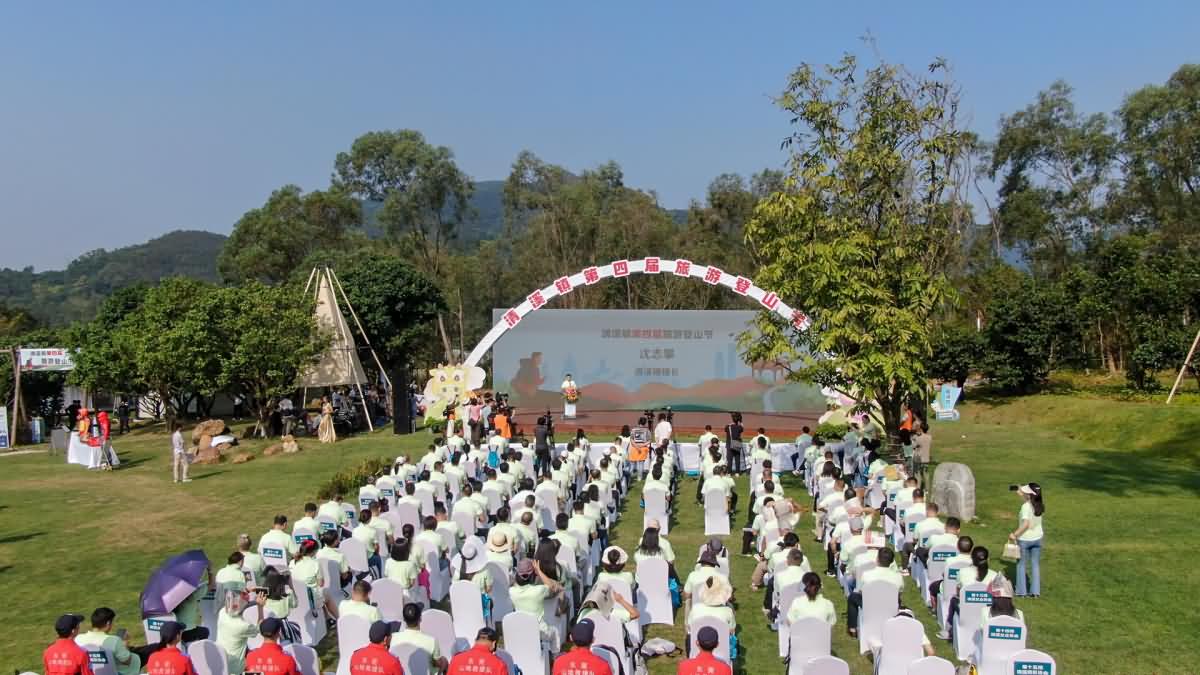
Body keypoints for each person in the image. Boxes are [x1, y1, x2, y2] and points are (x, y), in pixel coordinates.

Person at [510, 559, 565, 651]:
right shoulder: (539, 591)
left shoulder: (512, 592)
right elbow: (552, 587)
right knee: (554, 632)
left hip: (520, 630)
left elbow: (515, 583)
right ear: (533, 575)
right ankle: (555, 659)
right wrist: (539, 571)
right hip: (539, 631)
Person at [77, 608, 141, 675]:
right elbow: (126, 661)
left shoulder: (78, 639)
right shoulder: (114, 640)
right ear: (108, 623)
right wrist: (125, 644)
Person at [214, 589, 264, 674]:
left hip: (220, 663)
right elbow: (260, 628)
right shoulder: (243, 626)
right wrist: (260, 607)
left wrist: (249, 591)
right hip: (235, 669)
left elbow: (237, 603)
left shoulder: (222, 612)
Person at [1010, 483, 1045, 598]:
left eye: (1025, 492)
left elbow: (1026, 524)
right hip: (1038, 538)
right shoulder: (1039, 504)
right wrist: (1020, 492)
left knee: (1021, 565)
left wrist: (1014, 535)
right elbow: (1027, 498)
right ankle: (1035, 592)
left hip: (1025, 540)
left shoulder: (1025, 507)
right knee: (1035, 564)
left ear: (1029, 495)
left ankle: (1021, 591)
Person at [391, 603, 448, 673]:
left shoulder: (393, 639)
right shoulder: (431, 641)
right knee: (444, 661)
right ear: (420, 619)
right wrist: (444, 661)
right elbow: (438, 663)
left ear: (404, 619)